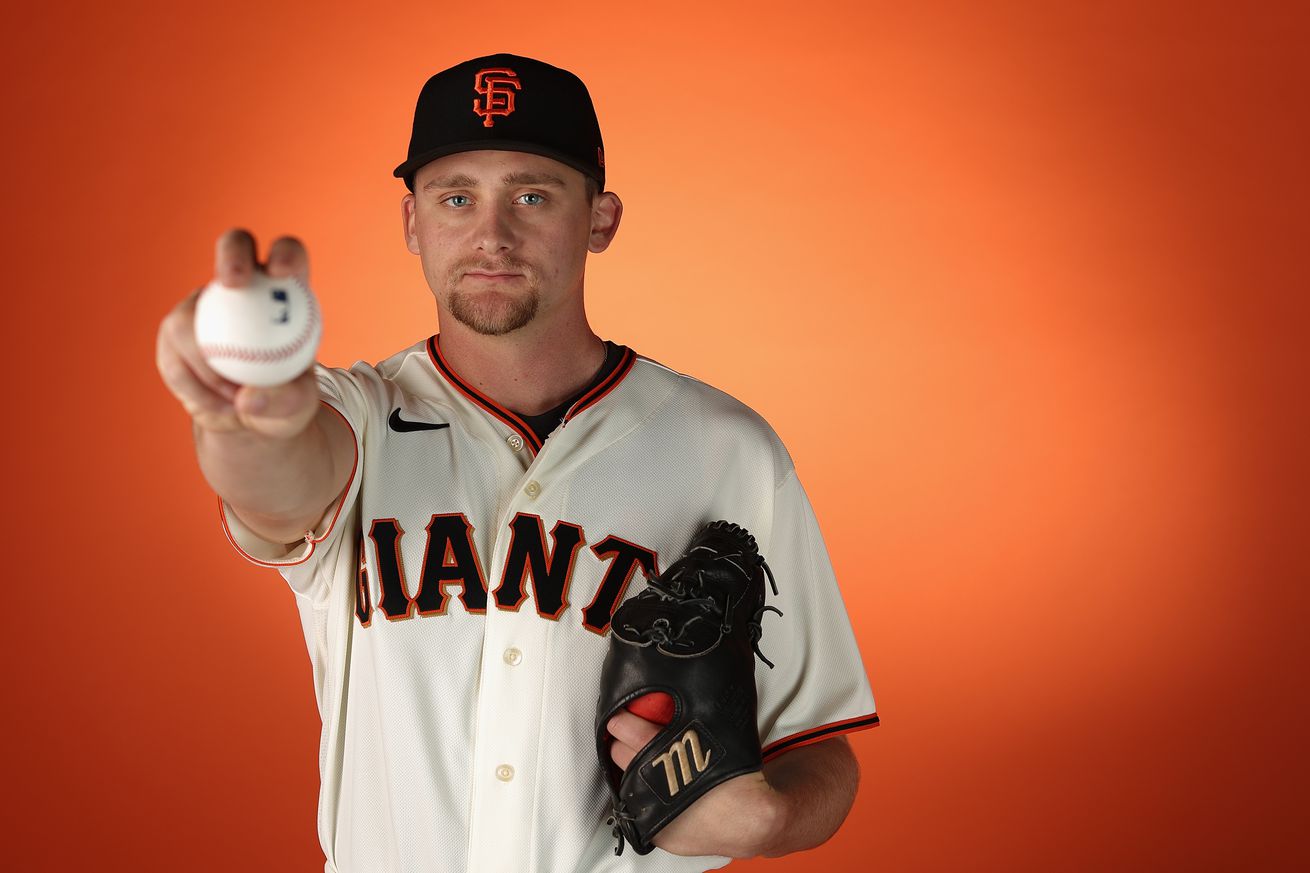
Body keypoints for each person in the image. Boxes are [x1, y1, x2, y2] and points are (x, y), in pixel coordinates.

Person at [156, 53, 878, 873]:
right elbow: (281, 482)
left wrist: (765, 823)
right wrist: (247, 422)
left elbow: (821, 747)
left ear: (600, 219)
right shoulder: (352, 414)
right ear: (412, 222)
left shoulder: (730, 447)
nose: (491, 234)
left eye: (531, 196)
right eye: (456, 196)